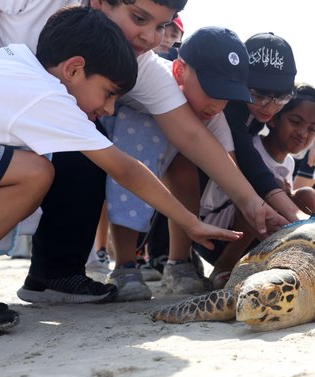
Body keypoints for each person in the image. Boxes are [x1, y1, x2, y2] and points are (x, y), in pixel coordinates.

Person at [0, 0, 287, 305]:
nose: (150, 37)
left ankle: (54, 273)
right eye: (138, 18)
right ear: (101, 3)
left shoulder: (124, 62)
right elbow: (126, 169)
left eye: (162, 25)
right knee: (40, 170)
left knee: (69, 154)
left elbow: (191, 134)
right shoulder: (47, 93)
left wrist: (251, 204)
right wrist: (190, 222)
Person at [102, 26, 252, 299]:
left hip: (160, 157)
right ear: (180, 72)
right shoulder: (149, 74)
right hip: (114, 140)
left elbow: (228, 167)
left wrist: (255, 206)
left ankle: (178, 261)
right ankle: (125, 263)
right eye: (212, 91)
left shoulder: (212, 113)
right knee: (141, 136)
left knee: (185, 166)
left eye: (225, 97)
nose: (217, 105)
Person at [202, 84, 315, 286]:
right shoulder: (250, 147)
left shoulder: (289, 163)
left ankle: (294, 260)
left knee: (309, 196)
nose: (303, 133)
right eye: (295, 121)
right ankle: (223, 268)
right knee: (261, 197)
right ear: (275, 118)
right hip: (220, 233)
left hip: (258, 238)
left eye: (312, 129)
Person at [222, 32, 309, 227]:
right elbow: (248, 159)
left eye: (280, 99)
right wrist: (295, 214)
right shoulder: (228, 106)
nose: (268, 108)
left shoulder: (257, 110)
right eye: (259, 95)